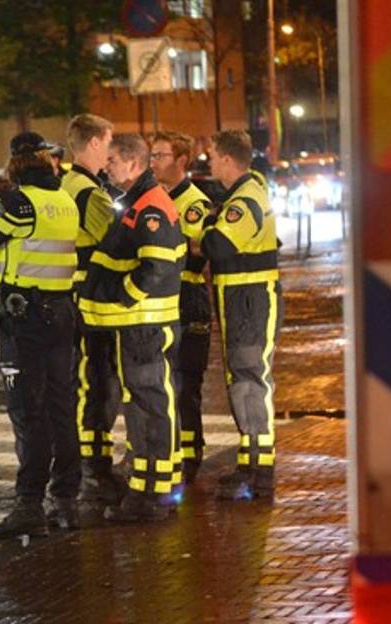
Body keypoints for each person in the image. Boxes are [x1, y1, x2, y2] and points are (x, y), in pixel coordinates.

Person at [0, 132, 82, 538]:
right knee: (61, 407)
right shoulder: (64, 200)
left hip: (26, 317)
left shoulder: (18, 203)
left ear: (14, 164)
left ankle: (29, 504)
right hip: (62, 312)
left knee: (28, 412)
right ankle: (66, 498)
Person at [78, 133, 185, 523]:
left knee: (148, 405)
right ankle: (150, 488)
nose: (107, 166)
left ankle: (152, 495)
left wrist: (124, 296)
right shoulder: (139, 201)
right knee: (145, 405)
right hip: (140, 325)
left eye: (112, 160)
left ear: (133, 163)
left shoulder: (149, 206)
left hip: (144, 325)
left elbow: (157, 266)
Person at [202, 130, 281, 502]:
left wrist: (203, 226)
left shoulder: (245, 200)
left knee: (250, 380)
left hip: (249, 301)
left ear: (227, 159)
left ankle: (261, 470)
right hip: (242, 300)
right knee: (242, 381)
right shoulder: (244, 194)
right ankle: (250, 462)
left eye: (212, 156)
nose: (210, 163)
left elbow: (218, 245)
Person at [60, 113, 122, 514]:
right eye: (109, 143)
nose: (111, 153)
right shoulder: (88, 192)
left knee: (87, 380)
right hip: (91, 298)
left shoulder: (67, 184)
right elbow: (115, 241)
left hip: (73, 295)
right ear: (95, 143)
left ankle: (89, 463)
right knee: (97, 381)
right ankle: (94, 467)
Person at [150, 131, 213, 483]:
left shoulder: (194, 203)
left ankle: (190, 455)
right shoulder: (154, 198)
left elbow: (194, 252)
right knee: (163, 381)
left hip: (188, 300)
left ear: (181, 161)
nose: (153, 162)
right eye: (152, 155)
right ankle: (171, 449)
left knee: (186, 384)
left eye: (160, 155)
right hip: (162, 299)